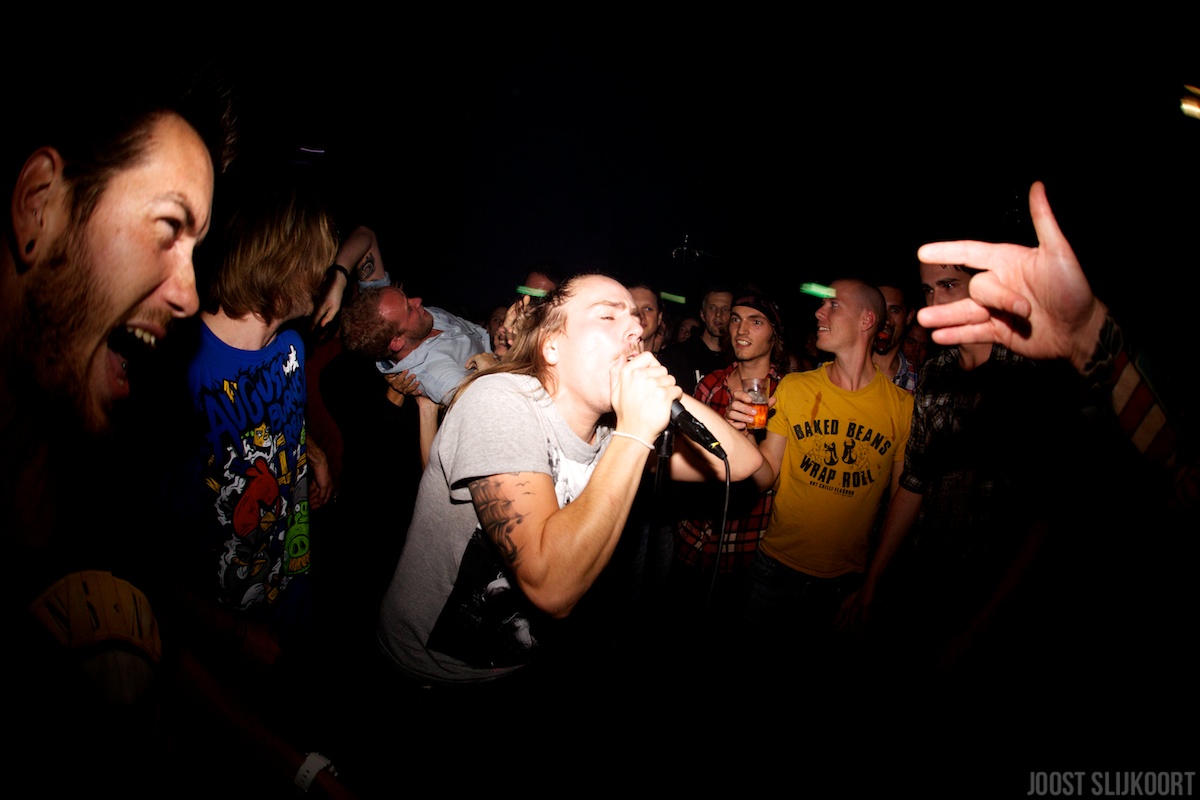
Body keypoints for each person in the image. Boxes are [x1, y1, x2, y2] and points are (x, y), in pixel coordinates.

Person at [369, 273, 763, 734]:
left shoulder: (612, 434)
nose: (635, 328)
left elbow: (743, 463)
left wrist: (662, 392)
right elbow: (550, 586)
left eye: (636, 321)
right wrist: (637, 432)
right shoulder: (500, 401)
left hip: (521, 669)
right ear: (552, 346)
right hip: (431, 679)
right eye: (608, 316)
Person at [1, 62, 238, 796]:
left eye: (196, 248)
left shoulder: (100, 468)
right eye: (168, 228)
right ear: (40, 206)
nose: (190, 292)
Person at [725, 278, 913, 679]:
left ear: (866, 320)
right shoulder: (795, 387)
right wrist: (741, 432)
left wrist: (873, 583)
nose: (818, 312)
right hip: (775, 571)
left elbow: (904, 499)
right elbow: (765, 478)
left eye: (833, 305)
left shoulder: (901, 408)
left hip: (846, 583)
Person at [669, 290, 787, 635]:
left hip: (744, 546)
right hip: (693, 535)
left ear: (775, 335)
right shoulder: (710, 384)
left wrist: (745, 434)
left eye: (756, 321)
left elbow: (768, 480)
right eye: (735, 319)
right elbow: (687, 456)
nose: (741, 329)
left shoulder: (786, 392)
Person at [338, 281, 493, 407]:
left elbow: (366, 250)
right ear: (397, 341)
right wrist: (493, 366)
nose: (418, 301)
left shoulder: (418, 319)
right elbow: (487, 405)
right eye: (409, 309)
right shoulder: (437, 376)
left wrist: (340, 276)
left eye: (406, 297)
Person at [658, 283, 734, 395]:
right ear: (702, 314)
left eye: (725, 309)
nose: (718, 314)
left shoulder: (736, 361)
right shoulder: (678, 355)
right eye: (712, 308)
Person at [870, 280, 919, 393]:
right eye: (880, 307)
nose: (886, 320)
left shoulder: (917, 381)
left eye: (894, 310)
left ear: (909, 316)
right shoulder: (845, 366)